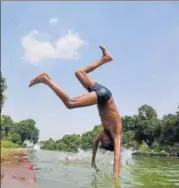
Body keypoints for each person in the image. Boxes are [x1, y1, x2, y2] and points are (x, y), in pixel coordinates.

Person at [29, 46, 122, 179]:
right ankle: (45, 79)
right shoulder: (117, 134)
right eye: (106, 140)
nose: (103, 138)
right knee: (70, 103)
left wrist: (93, 162)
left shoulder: (103, 134)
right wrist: (116, 180)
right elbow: (117, 157)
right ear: (112, 142)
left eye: (103, 140)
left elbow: (95, 144)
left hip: (101, 93)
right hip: (104, 96)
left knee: (79, 72)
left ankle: (105, 59)